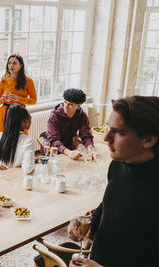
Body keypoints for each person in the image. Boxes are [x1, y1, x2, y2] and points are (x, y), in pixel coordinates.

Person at [68, 96, 159, 267]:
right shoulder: (117, 165)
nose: (106, 138)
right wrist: (90, 223)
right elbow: (109, 205)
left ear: (148, 139)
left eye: (120, 132)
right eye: (108, 128)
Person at [0, 54, 37, 139]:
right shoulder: (3, 81)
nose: (11, 65)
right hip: (5, 113)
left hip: (20, 114)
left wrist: (19, 99)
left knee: (20, 139)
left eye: (14, 63)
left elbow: (34, 100)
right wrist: (2, 99)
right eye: (9, 63)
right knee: (4, 139)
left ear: (20, 66)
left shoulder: (28, 81)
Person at [46, 88, 94, 160]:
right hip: (53, 150)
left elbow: (86, 134)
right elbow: (53, 140)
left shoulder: (82, 115)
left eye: (70, 104)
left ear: (78, 106)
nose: (66, 106)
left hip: (70, 148)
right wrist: (69, 153)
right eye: (65, 102)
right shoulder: (54, 116)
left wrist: (90, 147)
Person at [0, 104, 35, 174]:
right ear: (26, 122)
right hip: (13, 179)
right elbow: (28, 169)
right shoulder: (29, 141)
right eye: (30, 119)